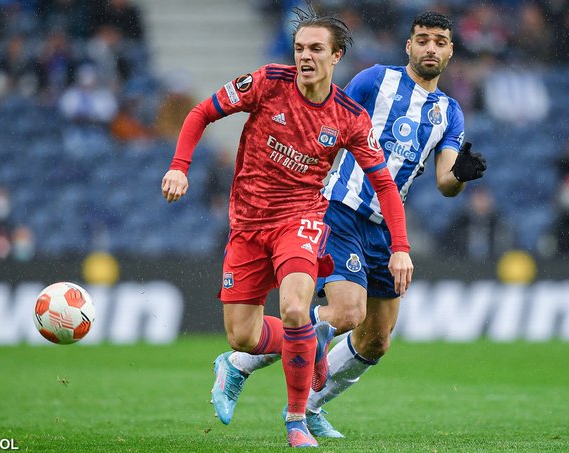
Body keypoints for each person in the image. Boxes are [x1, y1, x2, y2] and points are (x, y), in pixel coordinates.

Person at [213, 11, 488, 438]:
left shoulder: (449, 113)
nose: (430, 48)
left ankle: (314, 404)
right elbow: (324, 117)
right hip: (339, 206)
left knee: (376, 339)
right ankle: (240, 363)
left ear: (451, 50)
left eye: (439, 41)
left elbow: (445, 182)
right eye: (422, 40)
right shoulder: (374, 80)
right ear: (409, 46)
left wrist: (462, 175)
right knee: (345, 312)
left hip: (383, 224)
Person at [161, 5, 413, 448]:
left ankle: (296, 420)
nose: (305, 56)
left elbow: (386, 187)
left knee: (297, 309)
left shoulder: (350, 116)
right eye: (299, 48)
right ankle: (292, 349)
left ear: (336, 57)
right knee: (243, 334)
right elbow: (201, 112)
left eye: (316, 48)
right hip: (246, 223)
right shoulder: (267, 83)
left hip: (301, 218)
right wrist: (180, 166)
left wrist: (401, 246)